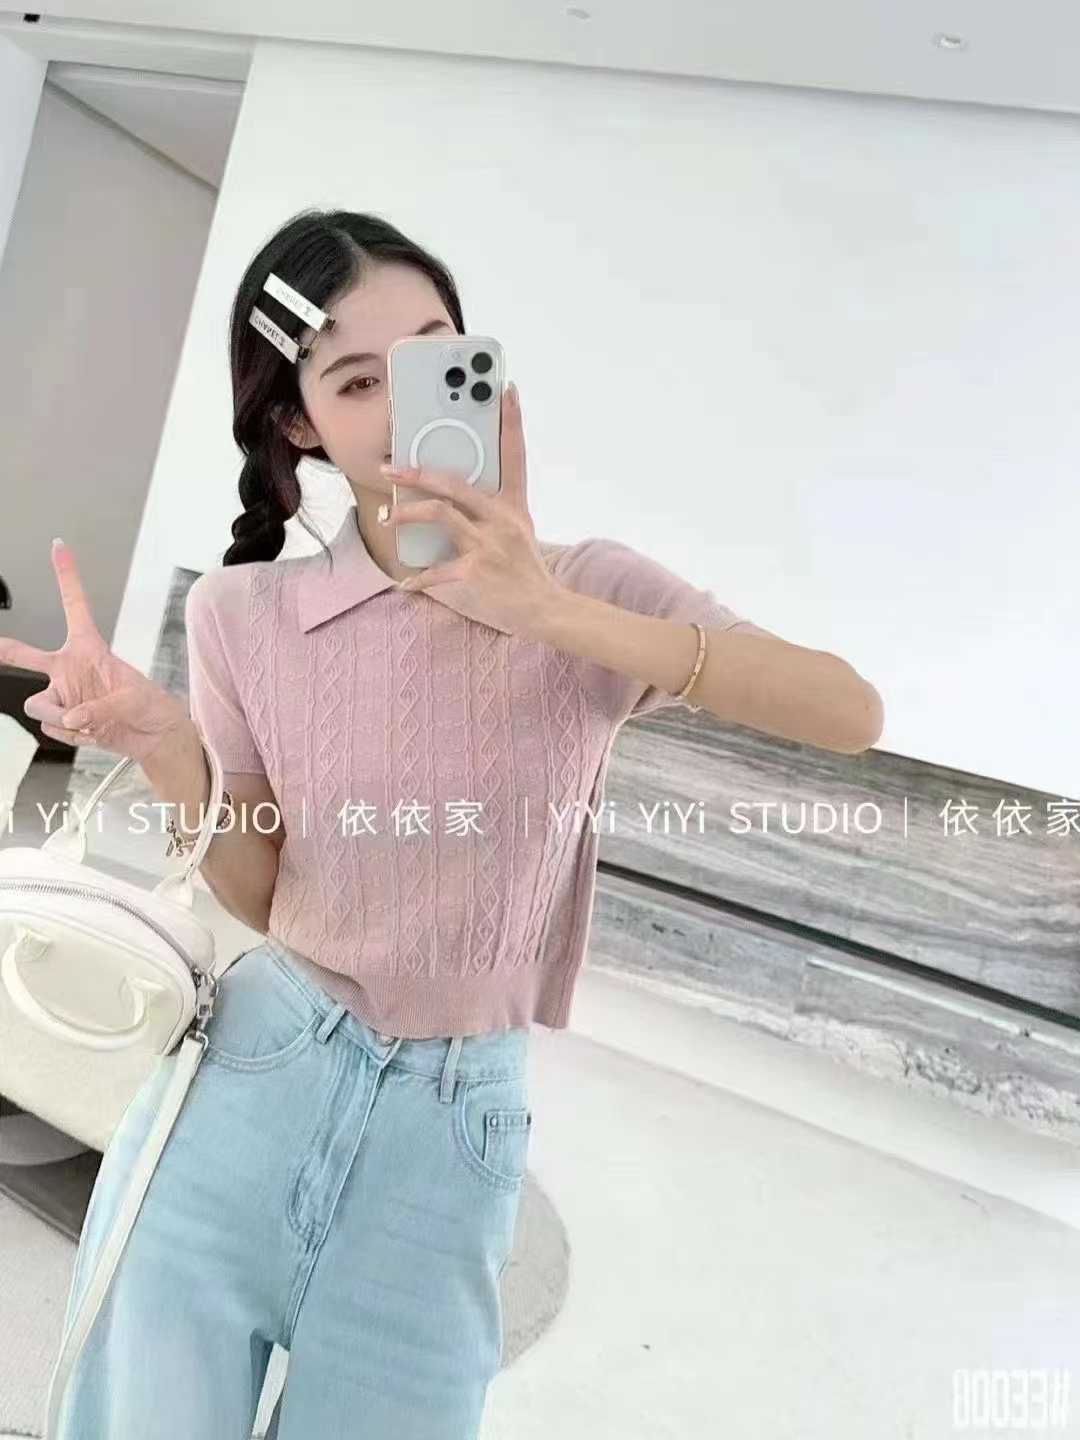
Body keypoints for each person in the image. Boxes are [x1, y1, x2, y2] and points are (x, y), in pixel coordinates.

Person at [2, 208, 883, 1439]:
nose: (402, 404)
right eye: (357, 380)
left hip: (455, 1130)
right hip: (253, 1078)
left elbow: (848, 710)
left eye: (430, 359)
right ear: (299, 422)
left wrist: (549, 612)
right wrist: (161, 741)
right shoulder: (242, 615)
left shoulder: (590, 586)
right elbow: (263, 893)